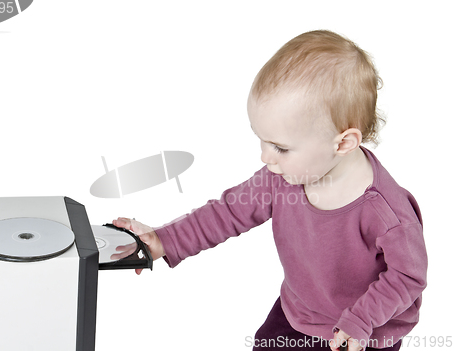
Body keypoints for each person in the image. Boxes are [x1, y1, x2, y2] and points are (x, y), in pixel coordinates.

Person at [112, 30, 427, 351]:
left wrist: (361, 320)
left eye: (280, 147)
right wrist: (166, 239)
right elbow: (228, 212)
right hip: (300, 312)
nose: (265, 157)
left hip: (364, 331)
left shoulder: (386, 211)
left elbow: (407, 276)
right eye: (261, 140)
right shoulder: (283, 175)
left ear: (343, 143)